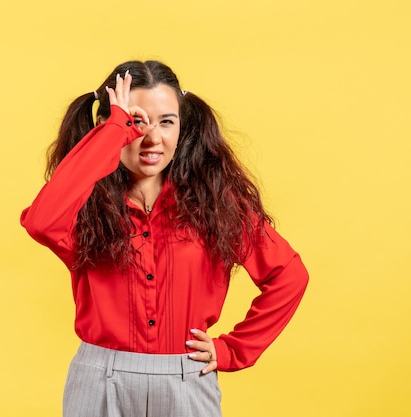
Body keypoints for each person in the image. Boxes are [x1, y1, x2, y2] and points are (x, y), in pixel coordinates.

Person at [21, 60, 309, 417]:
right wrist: (114, 132)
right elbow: (41, 222)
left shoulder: (216, 203)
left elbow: (289, 276)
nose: (152, 138)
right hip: (100, 381)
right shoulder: (84, 206)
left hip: (187, 380)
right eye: (136, 121)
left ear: (182, 127)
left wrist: (233, 349)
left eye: (166, 122)